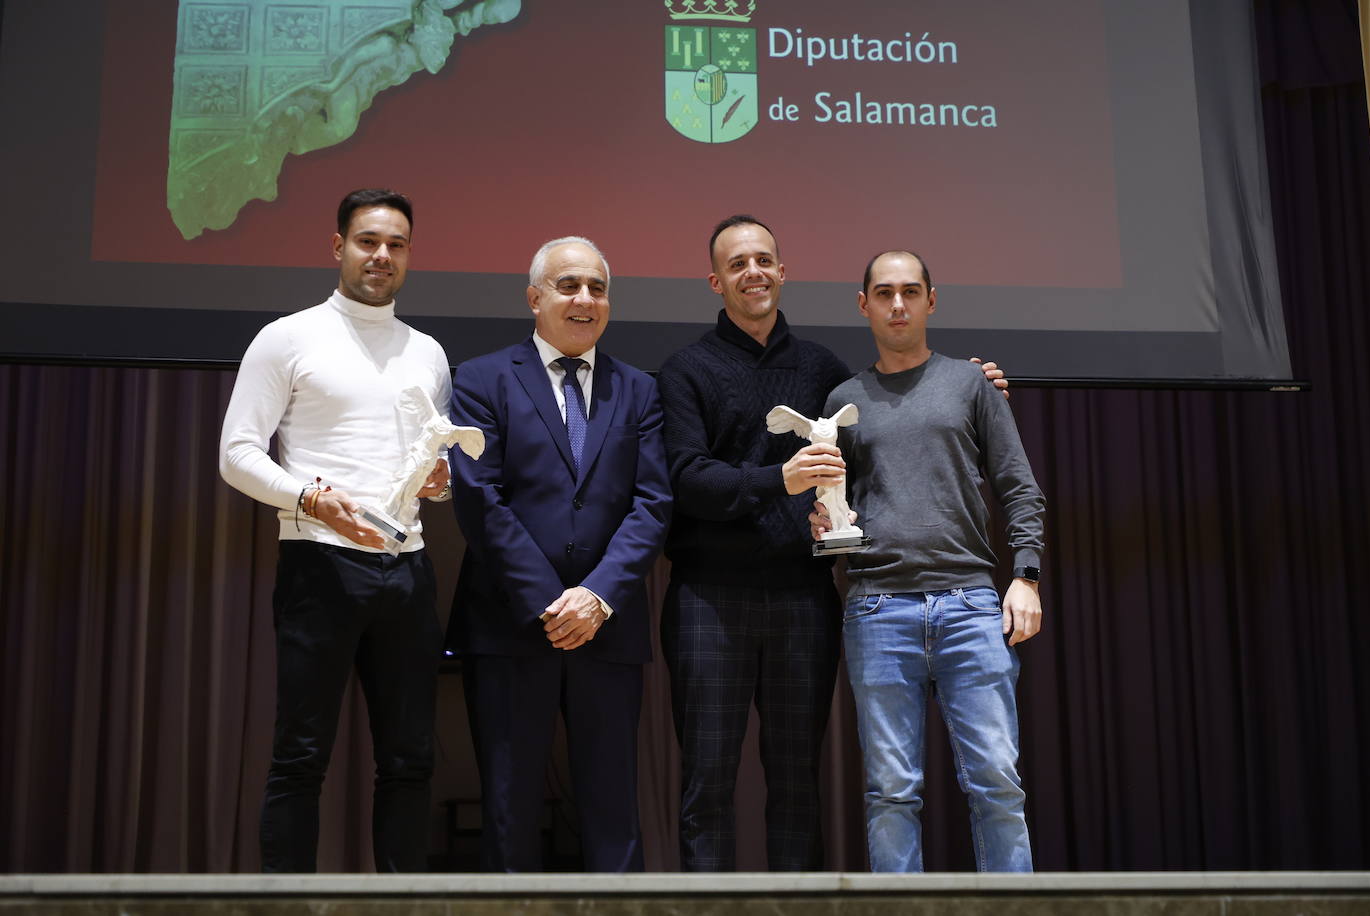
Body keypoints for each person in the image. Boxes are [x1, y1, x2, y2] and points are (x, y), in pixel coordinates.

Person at [655, 216, 1008, 870]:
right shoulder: (685, 370)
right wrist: (776, 478)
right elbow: (684, 479)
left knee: (797, 784)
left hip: (802, 597)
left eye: (764, 259)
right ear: (715, 281)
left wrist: (974, 381)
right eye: (737, 264)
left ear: (783, 271)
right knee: (707, 786)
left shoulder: (825, 371)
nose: (753, 272)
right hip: (710, 600)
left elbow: (884, 437)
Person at [219, 188, 452, 872]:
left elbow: (427, 460)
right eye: (368, 241)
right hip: (319, 565)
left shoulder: (428, 353)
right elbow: (237, 454)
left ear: (409, 255)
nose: (382, 256)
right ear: (338, 247)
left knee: (410, 762)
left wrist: (439, 483)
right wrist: (312, 499)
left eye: (396, 245)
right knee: (300, 758)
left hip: (408, 568)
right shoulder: (288, 337)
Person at [446, 236, 672, 872]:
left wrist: (596, 598)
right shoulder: (482, 379)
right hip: (512, 624)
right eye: (569, 285)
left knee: (613, 812)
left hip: (608, 626)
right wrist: (553, 602)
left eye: (598, 288)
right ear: (534, 298)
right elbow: (478, 497)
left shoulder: (639, 390)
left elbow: (651, 504)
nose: (585, 299)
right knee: (510, 811)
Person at [814, 250, 1045, 872]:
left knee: (998, 784)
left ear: (931, 300)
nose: (897, 305)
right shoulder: (844, 400)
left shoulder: (970, 385)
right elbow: (839, 503)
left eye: (910, 292)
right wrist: (825, 519)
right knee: (891, 793)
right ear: (863, 304)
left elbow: (1019, 487)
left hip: (970, 604)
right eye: (884, 293)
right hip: (877, 608)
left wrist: (1025, 575)